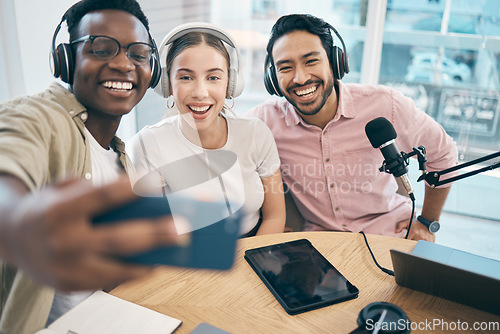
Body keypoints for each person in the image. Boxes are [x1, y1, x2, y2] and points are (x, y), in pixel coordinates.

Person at [0, 1, 185, 333]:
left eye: (138, 54)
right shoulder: (40, 118)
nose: (122, 64)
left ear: (152, 70)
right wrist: (18, 220)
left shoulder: (121, 160)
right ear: (65, 61)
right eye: (101, 49)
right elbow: (9, 162)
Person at [246, 14, 458, 242]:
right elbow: (223, 138)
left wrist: (427, 222)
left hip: (391, 235)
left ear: (335, 62)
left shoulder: (386, 105)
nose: (300, 78)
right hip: (322, 248)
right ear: (272, 79)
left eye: (311, 61)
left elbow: (444, 154)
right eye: (285, 67)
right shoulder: (266, 121)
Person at [128, 23, 286, 237]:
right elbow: (157, 230)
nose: (200, 92)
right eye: (185, 77)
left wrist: (254, 260)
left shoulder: (256, 134)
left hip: (254, 248)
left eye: (213, 77)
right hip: (191, 256)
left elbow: (275, 217)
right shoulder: (148, 144)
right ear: (167, 84)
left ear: (230, 84)